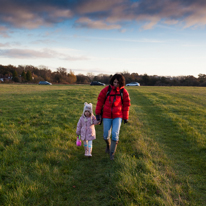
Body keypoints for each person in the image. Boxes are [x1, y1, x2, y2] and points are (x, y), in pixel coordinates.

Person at [95, 74, 131, 160]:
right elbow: (100, 102)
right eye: (115, 82)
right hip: (106, 116)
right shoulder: (106, 90)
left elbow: (126, 105)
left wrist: (125, 117)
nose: (116, 84)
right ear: (112, 81)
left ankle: (112, 153)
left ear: (121, 83)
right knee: (105, 135)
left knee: (115, 134)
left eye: (118, 83)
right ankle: (108, 145)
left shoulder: (124, 92)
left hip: (118, 116)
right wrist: (98, 114)